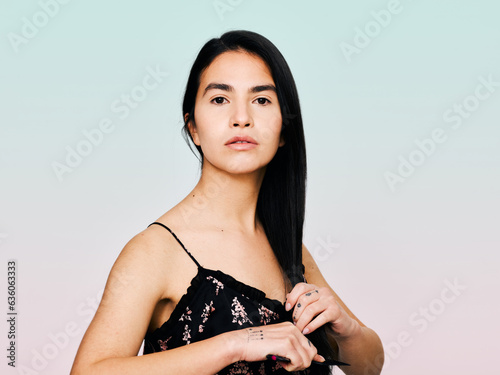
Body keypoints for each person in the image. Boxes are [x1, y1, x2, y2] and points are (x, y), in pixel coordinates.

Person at [70, 30, 384, 375]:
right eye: (220, 99)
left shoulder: (289, 249)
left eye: (261, 100)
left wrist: (346, 328)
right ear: (193, 127)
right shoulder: (156, 251)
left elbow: (368, 368)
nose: (241, 118)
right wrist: (236, 343)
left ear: (283, 130)